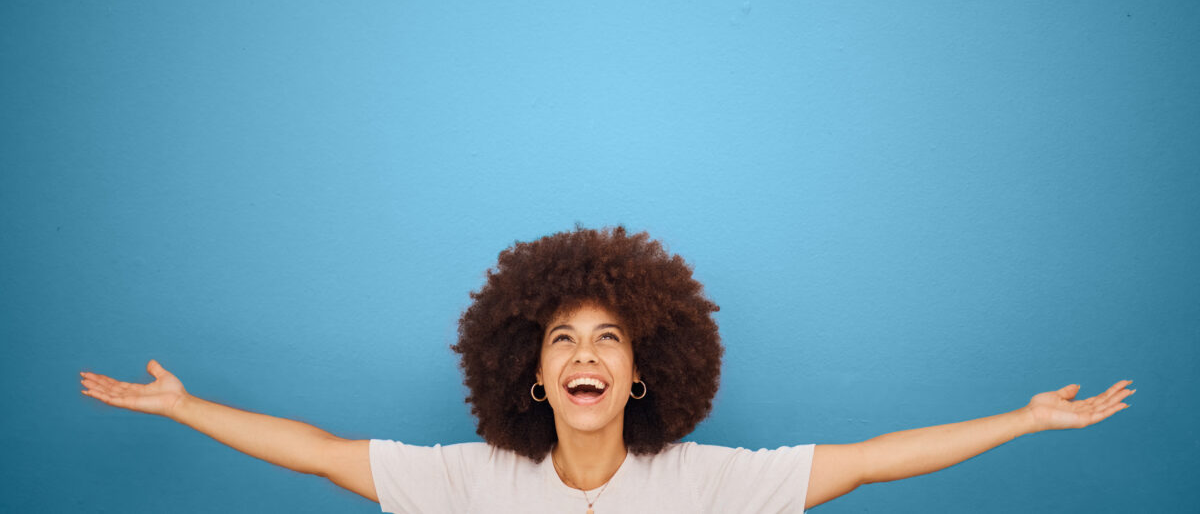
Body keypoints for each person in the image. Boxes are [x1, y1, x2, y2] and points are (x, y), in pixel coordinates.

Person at [81, 226, 1133, 513]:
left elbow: (867, 460)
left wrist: (1023, 418)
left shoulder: (710, 483)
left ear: (640, 375)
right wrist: (185, 406)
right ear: (533, 377)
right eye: (562, 339)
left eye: (610, 338)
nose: (585, 352)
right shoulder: (468, 482)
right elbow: (318, 453)